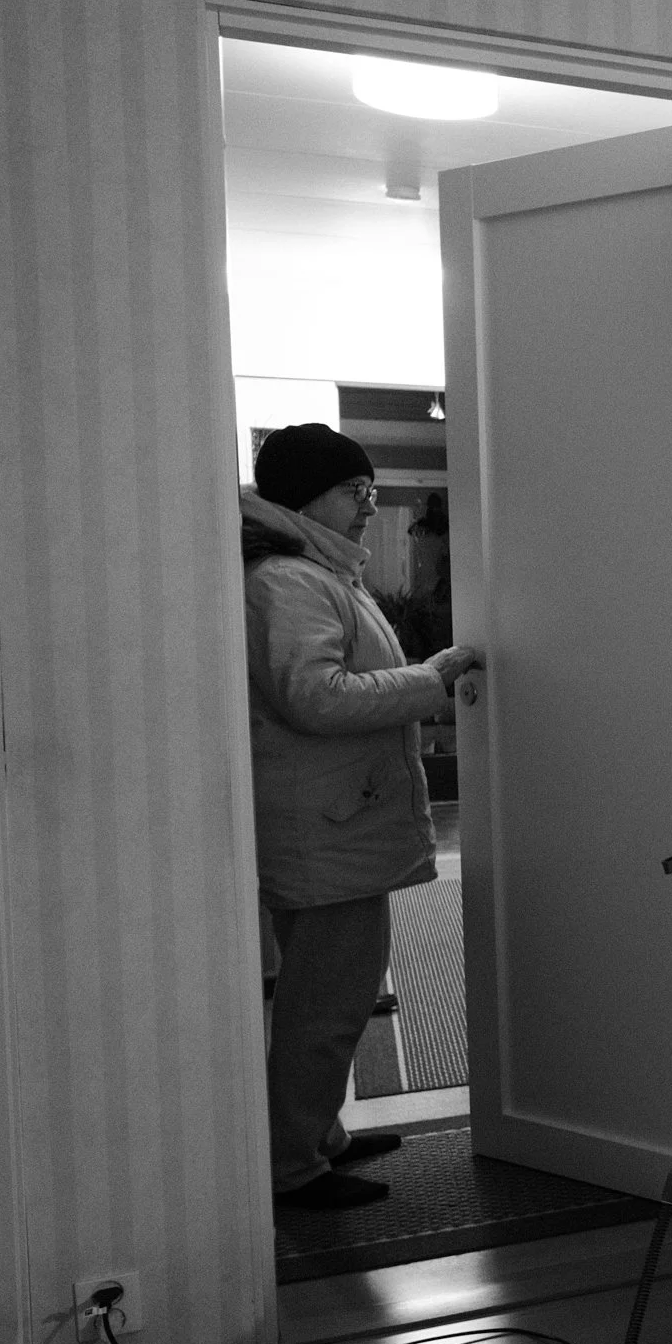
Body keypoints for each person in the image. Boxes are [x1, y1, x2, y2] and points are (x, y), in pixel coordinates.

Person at [244, 423, 482, 1210]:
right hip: (323, 831)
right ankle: (292, 1165)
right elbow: (314, 697)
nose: (370, 505)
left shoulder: (318, 573)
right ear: (308, 495)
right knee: (325, 1005)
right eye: (357, 490)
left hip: (335, 823)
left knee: (333, 996)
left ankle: (320, 1137)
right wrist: (431, 679)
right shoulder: (287, 581)